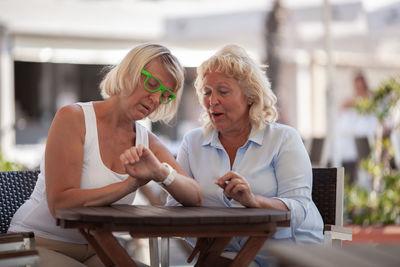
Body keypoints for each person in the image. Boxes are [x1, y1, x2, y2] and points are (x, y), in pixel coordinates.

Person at [9, 43, 203, 267]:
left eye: (165, 95)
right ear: (129, 72)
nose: (155, 99)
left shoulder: (146, 141)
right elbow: (60, 204)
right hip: (36, 243)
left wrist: (162, 173)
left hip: (98, 248)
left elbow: (195, 195)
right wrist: (129, 185)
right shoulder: (73, 118)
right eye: (152, 84)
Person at [167, 44, 323, 266]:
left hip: (288, 255)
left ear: (250, 96)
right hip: (227, 254)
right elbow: (174, 205)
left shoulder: (283, 138)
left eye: (223, 91)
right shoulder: (193, 143)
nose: (212, 101)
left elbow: (298, 209)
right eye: (207, 92)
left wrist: (253, 201)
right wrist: (199, 231)